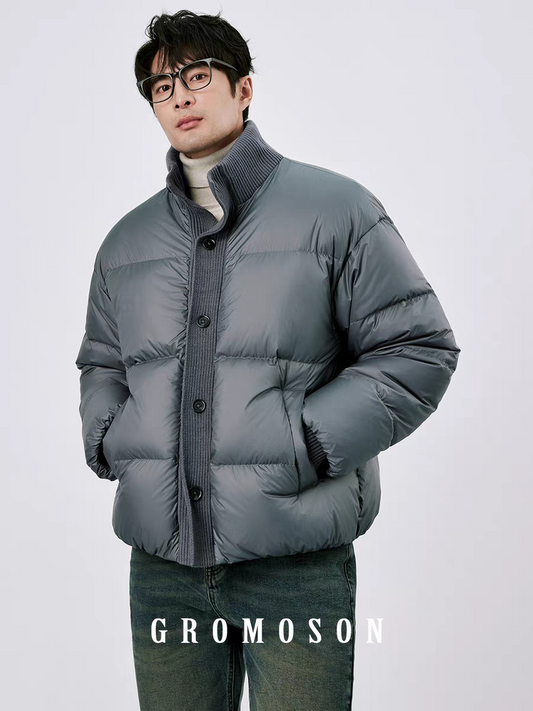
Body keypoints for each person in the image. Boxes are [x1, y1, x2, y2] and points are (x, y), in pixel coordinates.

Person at [75, 9, 461, 711]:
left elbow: (419, 348)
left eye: (197, 76)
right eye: (161, 87)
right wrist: (112, 441)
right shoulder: (126, 242)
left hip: (294, 565)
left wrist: (304, 442)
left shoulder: (336, 210)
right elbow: (102, 362)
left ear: (244, 87)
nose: (180, 97)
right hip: (163, 569)